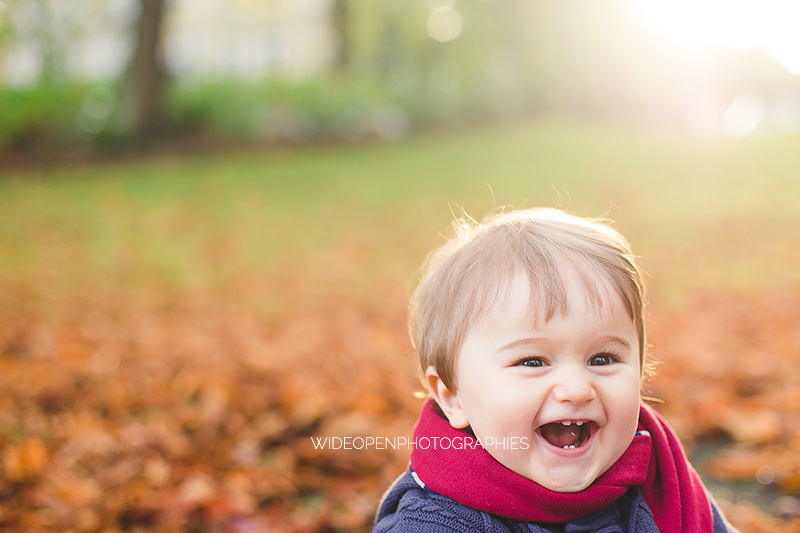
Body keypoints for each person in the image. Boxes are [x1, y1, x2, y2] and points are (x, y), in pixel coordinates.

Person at [374, 208, 737, 532]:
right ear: (453, 397)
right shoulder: (436, 523)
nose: (577, 389)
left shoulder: (660, 475)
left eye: (602, 358)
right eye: (532, 362)